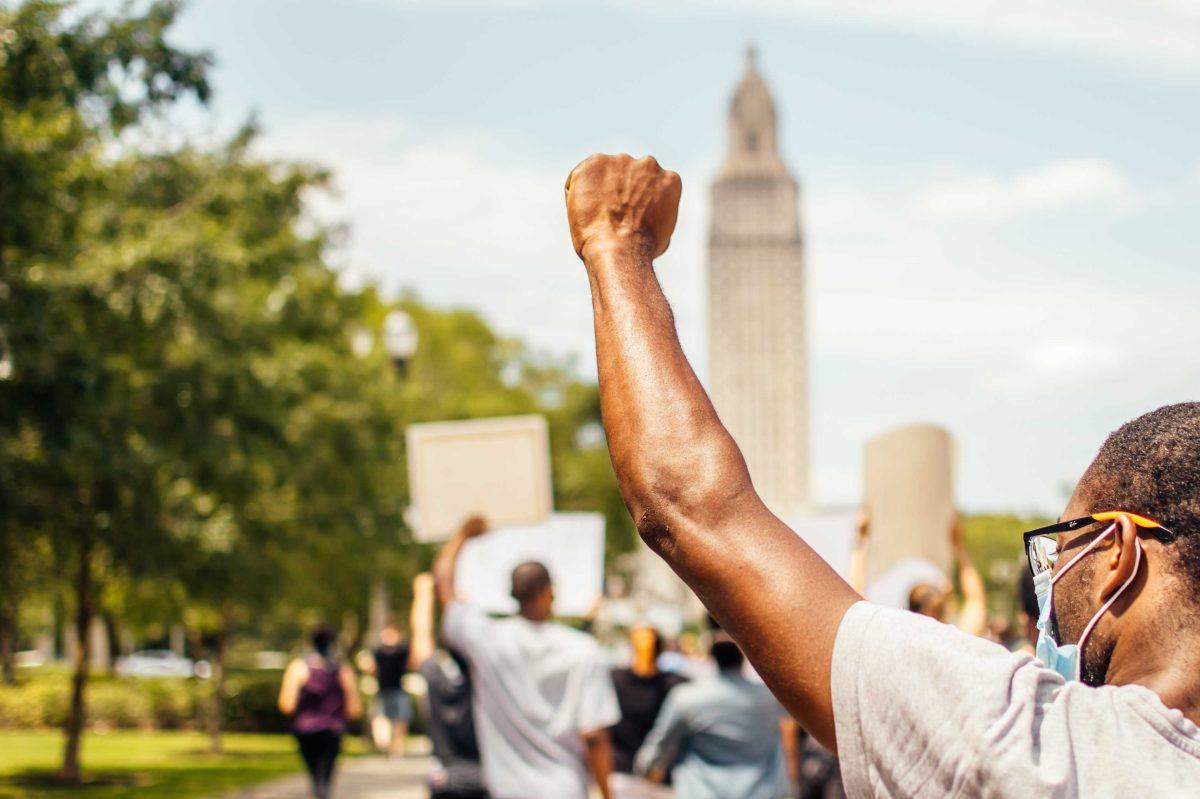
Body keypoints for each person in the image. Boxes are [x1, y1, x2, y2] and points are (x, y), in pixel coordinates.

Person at [563, 153, 1200, 796]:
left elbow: (689, 505)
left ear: (1117, 552)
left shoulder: (1033, 747)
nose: (1047, 585)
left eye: (1060, 548)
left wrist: (616, 242)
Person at [434, 516, 619, 799]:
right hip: (565, 789)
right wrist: (607, 794)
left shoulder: (486, 639)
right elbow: (595, 736)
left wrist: (463, 535)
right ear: (549, 592)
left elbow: (443, 585)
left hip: (506, 789)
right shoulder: (582, 649)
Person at [635, 623, 793, 798]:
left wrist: (650, 767)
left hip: (702, 791)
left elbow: (660, 746)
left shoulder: (687, 699)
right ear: (742, 656)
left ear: (712, 657)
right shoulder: (769, 698)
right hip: (762, 791)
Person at [409, 571, 488, 799]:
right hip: (486, 779)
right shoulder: (491, 680)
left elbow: (421, 633)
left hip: (446, 779)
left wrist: (423, 594)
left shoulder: (436, 674)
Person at [850, 513, 989, 635]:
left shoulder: (895, 647)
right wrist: (959, 546)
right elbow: (976, 600)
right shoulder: (958, 646)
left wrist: (860, 542)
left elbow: (857, 598)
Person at [278, 625, 362, 799]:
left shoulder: (299, 667)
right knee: (325, 775)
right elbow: (354, 708)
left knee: (315, 774)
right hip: (332, 729)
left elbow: (287, 704)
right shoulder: (342, 669)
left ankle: (319, 792)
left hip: (305, 729)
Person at [609, 623, 687, 775]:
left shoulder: (675, 684)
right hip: (620, 767)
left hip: (658, 770)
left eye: (650, 641)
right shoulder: (615, 679)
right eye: (640, 641)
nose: (645, 647)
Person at [368, 618, 412, 756]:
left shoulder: (402, 650)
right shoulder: (378, 652)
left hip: (398, 689)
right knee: (380, 718)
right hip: (383, 690)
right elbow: (373, 669)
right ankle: (385, 745)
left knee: (400, 720)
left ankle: (397, 748)